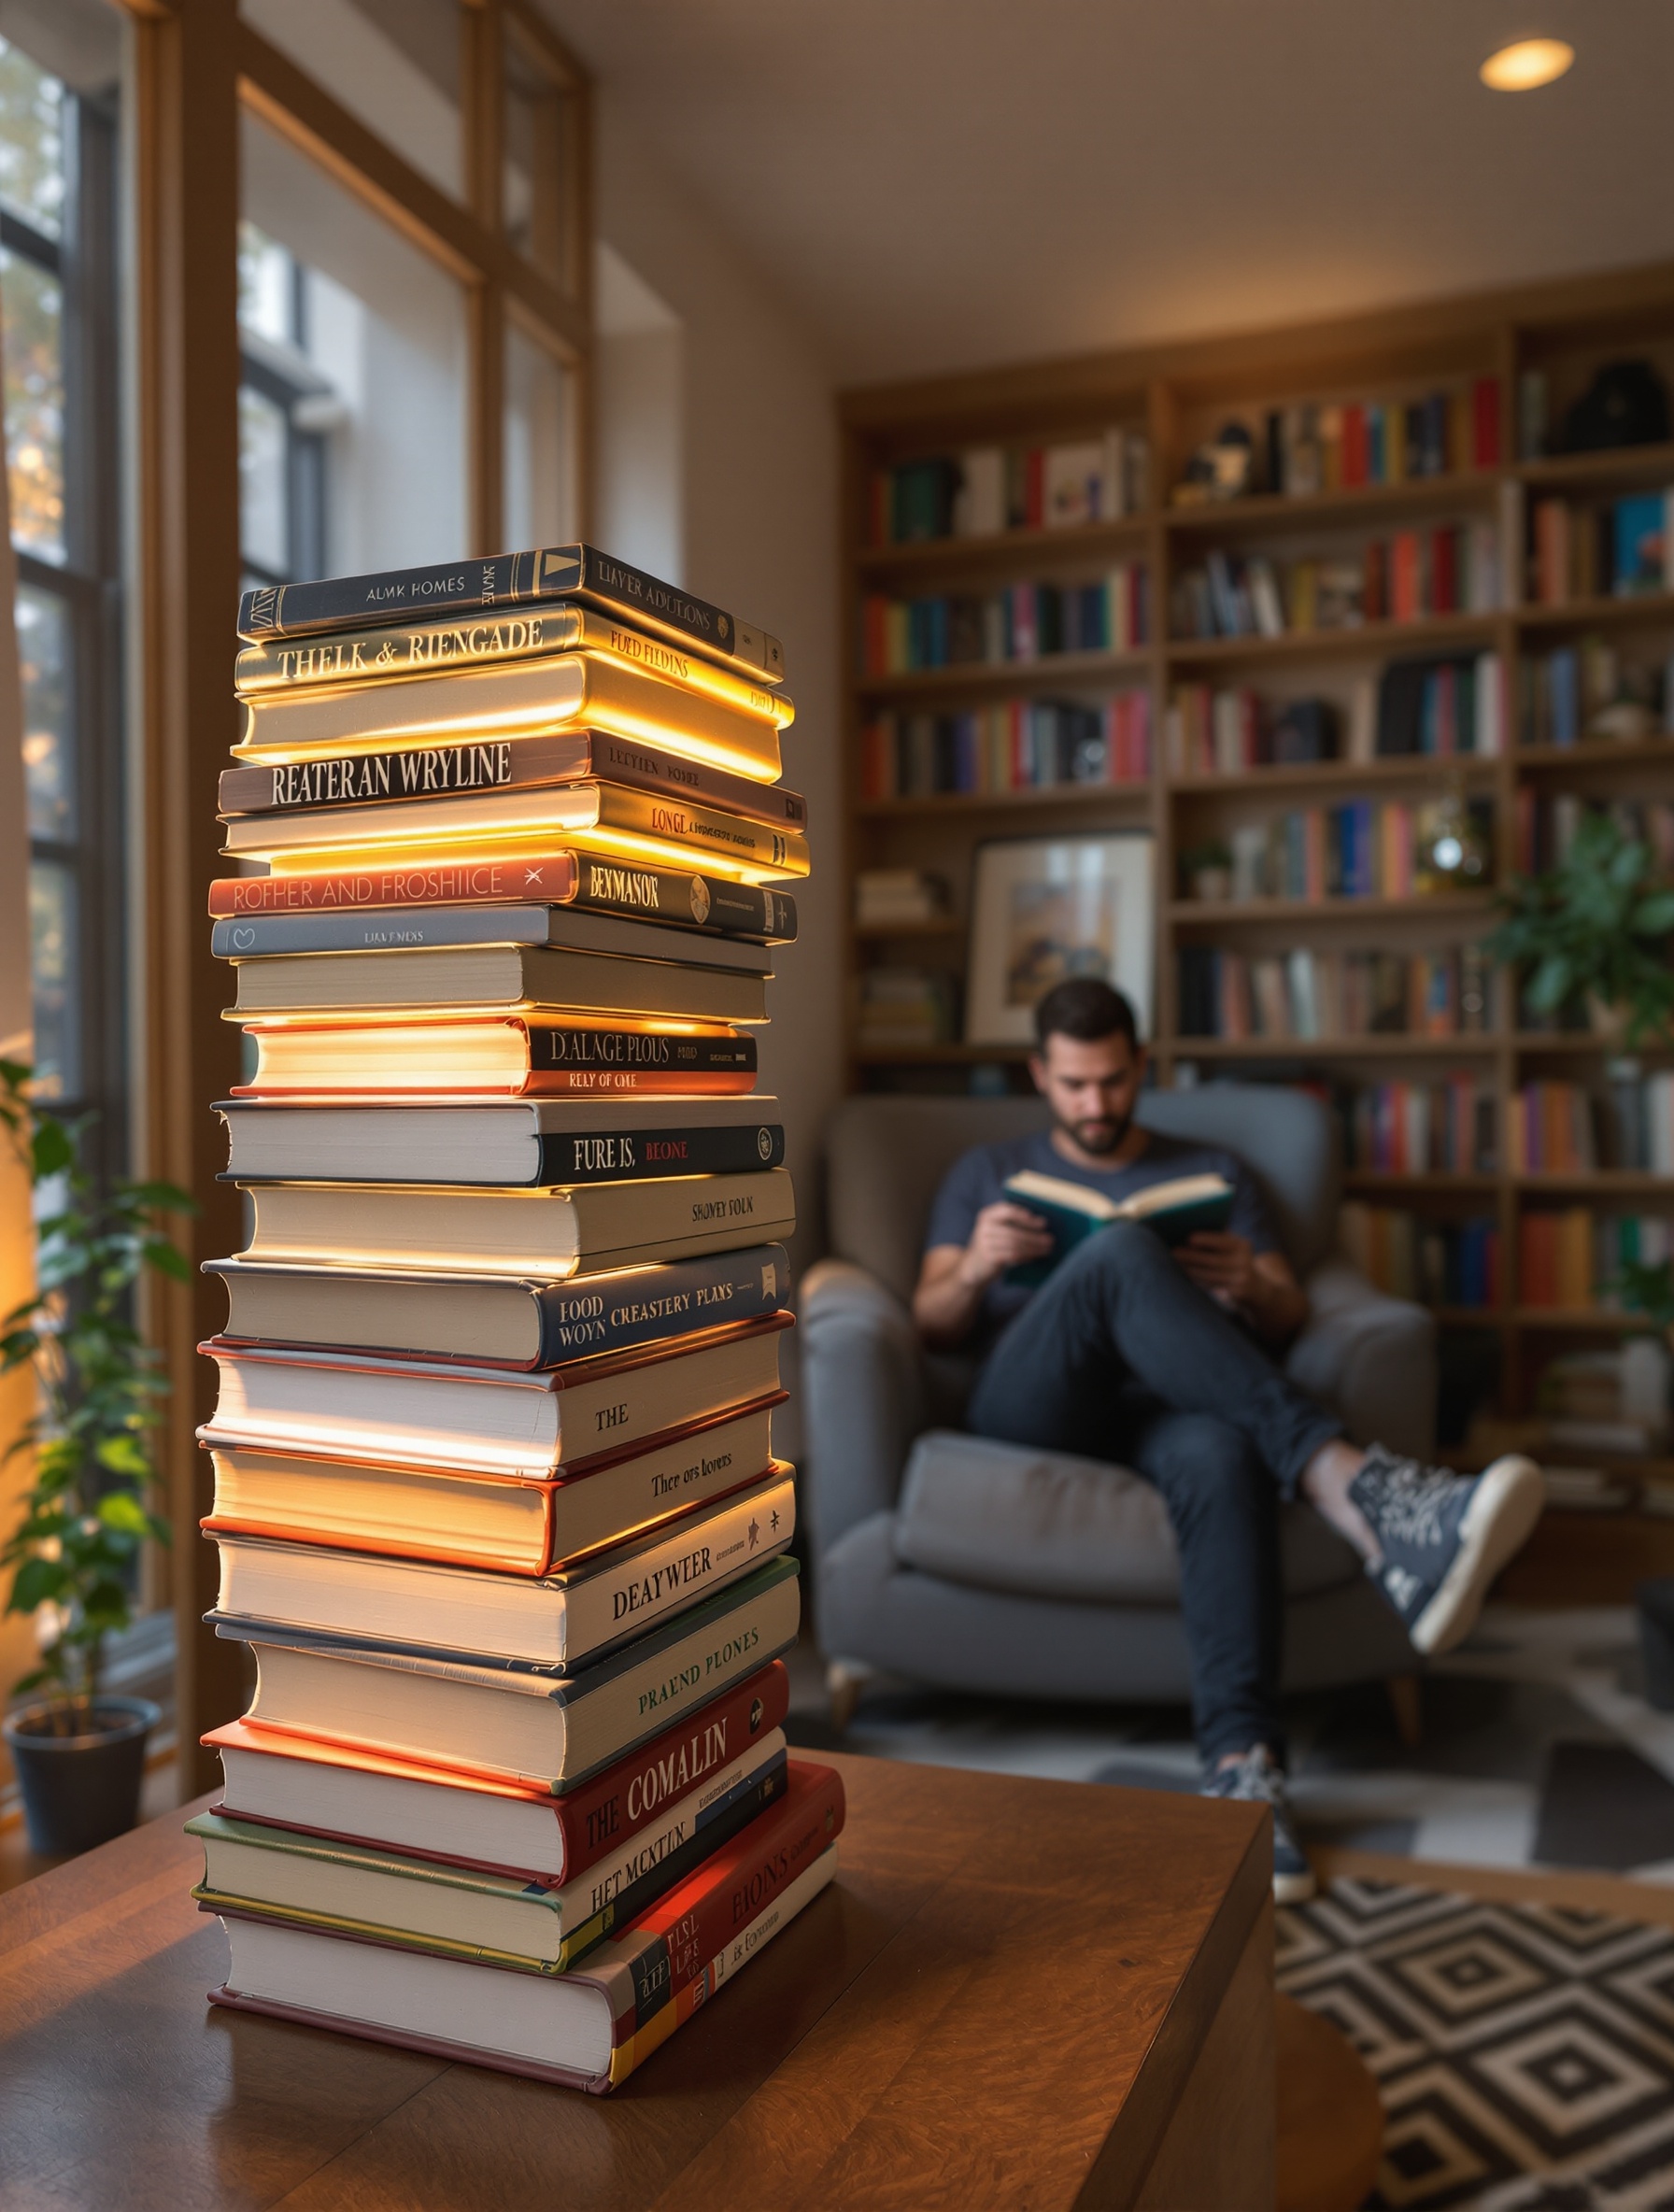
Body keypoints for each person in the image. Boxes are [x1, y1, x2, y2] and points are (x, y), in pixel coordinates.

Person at [913, 976, 1541, 1902]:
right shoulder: (987, 1171)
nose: (1097, 1105)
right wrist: (973, 1266)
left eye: (1115, 1081)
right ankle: (1364, 1491)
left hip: (1175, 1403)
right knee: (1120, 1253)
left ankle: (1244, 1768)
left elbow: (1288, 1316)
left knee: (1219, 1450)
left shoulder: (1211, 1171)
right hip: (1036, 1401)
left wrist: (1253, 1283)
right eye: (1076, 1084)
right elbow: (929, 1321)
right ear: (1040, 1074)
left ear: (1142, 1067)